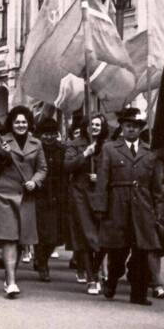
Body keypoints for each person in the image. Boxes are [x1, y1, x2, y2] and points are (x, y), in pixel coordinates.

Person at [97, 107, 164, 306]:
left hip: (143, 208)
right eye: (128, 126)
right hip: (117, 206)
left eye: (135, 127)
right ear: (122, 127)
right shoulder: (110, 149)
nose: (131, 130)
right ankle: (111, 280)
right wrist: (100, 207)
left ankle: (139, 294)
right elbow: (102, 180)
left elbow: (157, 187)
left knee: (142, 252)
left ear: (140, 129)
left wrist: (159, 211)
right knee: (117, 251)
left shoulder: (149, 153)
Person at [0, 106, 47, 298]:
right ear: (12, 123)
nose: (21, 125)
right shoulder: (1, 141)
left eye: (24, 122)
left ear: (29, 124)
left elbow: (42, 168)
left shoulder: (37, 143)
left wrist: (35, 181)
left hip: (26, 196)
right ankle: (11, 282)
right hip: (4, 196)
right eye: (17, 122)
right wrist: (2, 154)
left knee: (20, 240)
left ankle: (11, 275)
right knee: (9, 238)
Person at [64, 114, 108, 294]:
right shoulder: (75, 144)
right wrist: (85, 154)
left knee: (103, 235)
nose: (95, 127)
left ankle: (96, 269)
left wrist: (101, 176)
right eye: (92, 124)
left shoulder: (108, 146)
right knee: (86, 235)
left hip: (101, 194)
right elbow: (67, 166)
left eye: (98, 125)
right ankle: (91, 277)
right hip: (80, 194)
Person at [34, 117, 66, 282]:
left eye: (52, 134)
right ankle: (43, 265)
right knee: (41, 233)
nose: (48, 137)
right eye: (45, 134)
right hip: (39, 195)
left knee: (55, 236)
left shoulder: (62, 149)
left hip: (58, 195)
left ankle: (41, 258)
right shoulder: (35, 150)